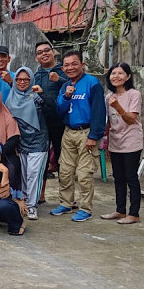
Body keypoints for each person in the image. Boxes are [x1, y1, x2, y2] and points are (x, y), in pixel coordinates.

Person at [50, 50, 106, 222]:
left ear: (82, 65)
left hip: (86, 133)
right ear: (62, 67)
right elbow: (59, 111)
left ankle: (85, 209)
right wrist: (67, 96)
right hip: (69, 132)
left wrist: (94, 136)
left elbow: (99, 111)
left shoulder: (92, 83)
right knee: (65, 171)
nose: (70, 67)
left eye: (74, 64)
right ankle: (66, 203)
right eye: (66, 65)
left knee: (84, 174)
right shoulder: (65, 85)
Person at [5, 67, 49, 220]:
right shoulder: (11, 98)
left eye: (26, 79)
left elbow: (51, 109)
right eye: (18, 79)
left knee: (33, 175)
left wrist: (41, 95)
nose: (22, 82)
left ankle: (32, 206)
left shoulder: (36, 96)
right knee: (23, 175)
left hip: (38, 141)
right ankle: (23, 203)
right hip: (21, 143)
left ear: (31, 80)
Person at [100, 63, 142, 224]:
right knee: (118, 177)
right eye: (113, 73)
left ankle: (134, 213)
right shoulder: (108, 97)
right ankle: (120, 210)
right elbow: (110, 122)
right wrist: (108, 143)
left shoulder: (134, 94)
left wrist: (118, 106)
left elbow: (131, 119)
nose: (116, 76)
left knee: (131, 177)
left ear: (128, 76)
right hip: (115, 142)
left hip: (131, 141)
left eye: (120, 73)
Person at [33, 41, 68, 203]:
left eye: (47, 50)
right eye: (40, 52)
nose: (44, 54)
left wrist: (59, 79)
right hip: (41, 122)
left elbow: (73, 87)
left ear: (54, 52)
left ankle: (65, 197)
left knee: (63, 159)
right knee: (43, 160)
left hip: (60, 122)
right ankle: (40, 195)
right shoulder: (36, 75)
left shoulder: (64, 71)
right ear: (36, 57)